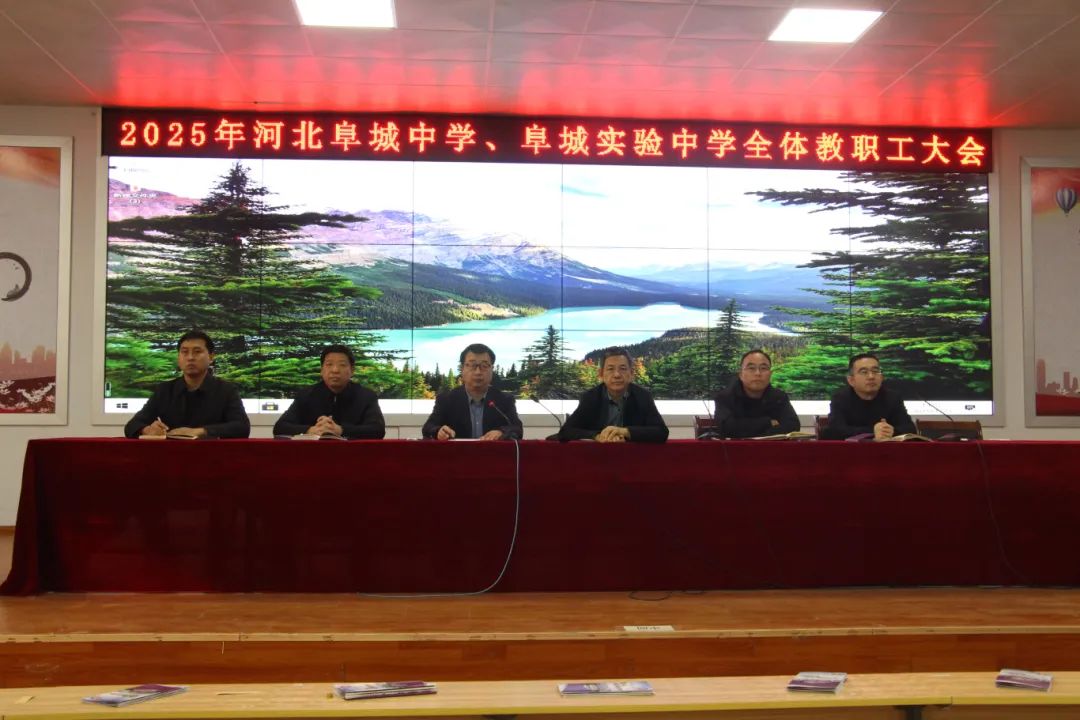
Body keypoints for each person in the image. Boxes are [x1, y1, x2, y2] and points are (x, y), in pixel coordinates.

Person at [124, 330, 250, 438]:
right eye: (184, 352)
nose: (190, 357)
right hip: (172, 454)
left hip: (212, 455)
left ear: (211, 357)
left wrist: (200, 431)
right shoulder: (165, 390)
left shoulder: (226, 390)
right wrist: (147, 430)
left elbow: (242, 427)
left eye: (197, 352)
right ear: (178, 357)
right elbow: (132, 425)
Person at [273, 344, 385, 439]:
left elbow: (378, 430)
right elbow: (280, 427)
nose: (335, 370)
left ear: (352, 370)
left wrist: (341, 430)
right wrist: (311, 430)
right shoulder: (306, 395)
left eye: (342, 365)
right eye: (329, 364)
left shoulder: (366, 396)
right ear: (322, 370)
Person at [559, 347, 668, 443]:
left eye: (623, 369)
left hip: (632, 456)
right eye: (610, 369)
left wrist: (625, 432)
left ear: (631, 374)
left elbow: (661, 432)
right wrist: (597, 436)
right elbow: (566, 431)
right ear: (601, 374)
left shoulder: (642, 396)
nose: (617, 375)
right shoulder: (590, 397)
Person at [422, 343, 523, 440]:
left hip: (493, 452)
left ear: (492, 369)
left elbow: (517, 429)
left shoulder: (504, 400)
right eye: (472, 365)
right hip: (457, 452)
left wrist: (502, 432)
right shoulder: (446, 399)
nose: (478, 372)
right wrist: (438, 431)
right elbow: (428, 427)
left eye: (484, 366)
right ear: (462, 369)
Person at [823, 352, 915, 440]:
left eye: (875, 371)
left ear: (882, 377)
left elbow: (910, 429)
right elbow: (833, 432)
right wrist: (873, 431)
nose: (871, 376)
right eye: (864, 372)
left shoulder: (893, 398)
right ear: (851, 380)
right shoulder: (840, 399)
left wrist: (891, 431)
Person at [713, 349, 800, 438]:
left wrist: (749, 430)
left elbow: (793, 426)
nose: (758, 373)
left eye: (763, 368)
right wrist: (768, 422)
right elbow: (727, 428)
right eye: (751, 368)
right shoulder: (725, 397)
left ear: (770, 374)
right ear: (740, 374)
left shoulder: (779, 397)